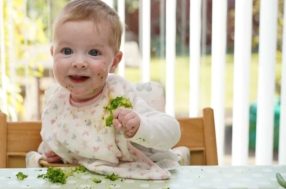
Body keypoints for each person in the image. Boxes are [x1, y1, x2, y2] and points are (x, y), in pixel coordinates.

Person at [26, 0, 182, 179]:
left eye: (93, 53)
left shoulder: (118, 96)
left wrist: (139, 126)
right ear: (53, 54)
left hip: (130, 177)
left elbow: (173, 131)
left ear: (114, 62)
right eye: (67, 51)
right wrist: (55, 153)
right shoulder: (57, 101)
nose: (78, 62)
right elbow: (56, 138)